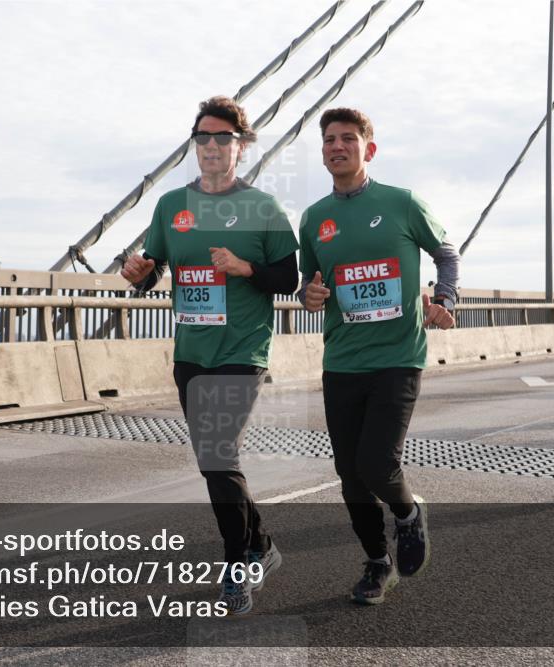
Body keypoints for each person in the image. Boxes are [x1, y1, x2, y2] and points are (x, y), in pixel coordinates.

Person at [120, 96, 299, 614]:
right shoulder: (170, 205)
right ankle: (260, 545)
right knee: (214, 462)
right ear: (194, 145)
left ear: (240, 147)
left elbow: (286, 278)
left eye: (224, 138)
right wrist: (140, 276)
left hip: (243, 349)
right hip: (192, 351)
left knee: (219, 455)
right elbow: (154, 267)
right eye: (204, 138)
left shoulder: (262, 207)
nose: (213, 146)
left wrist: (246, 268)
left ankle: (237, 566)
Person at [298, 107, 459, 604]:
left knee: (376, 463)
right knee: (350, 475)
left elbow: (446, 253)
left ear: (369, 149)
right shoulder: (314, 219)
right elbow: (308, 281)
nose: (337, 146)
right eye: (329, 140)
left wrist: (445, 299)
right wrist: (309, 295)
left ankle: (408, 514)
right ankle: (376, 562)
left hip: (397, 357)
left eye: (347, 138)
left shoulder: (402, 203)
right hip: (342, 360)